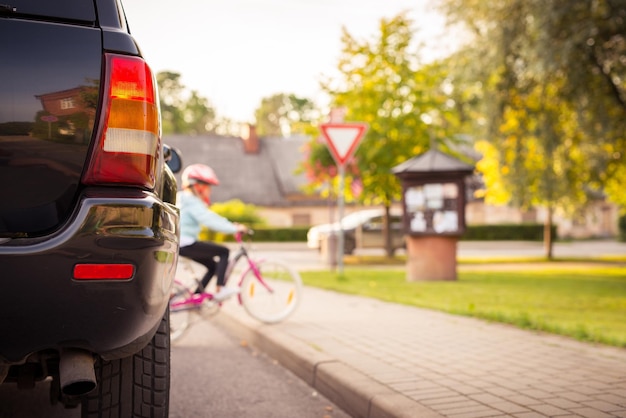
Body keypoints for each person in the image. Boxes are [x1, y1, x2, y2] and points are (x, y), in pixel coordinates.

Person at [177, 163, 247, 301]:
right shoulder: (191, 201)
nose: (210, 191)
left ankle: (197, 296)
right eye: (208, 187)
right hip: (186, 243)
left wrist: (230, 225)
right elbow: (208, 219)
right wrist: (234, 228)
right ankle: (220, 289)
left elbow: (210, 216)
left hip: (183, 243)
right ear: (198, 187)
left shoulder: (188, 200)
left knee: (212, 266)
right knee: (224, 252)